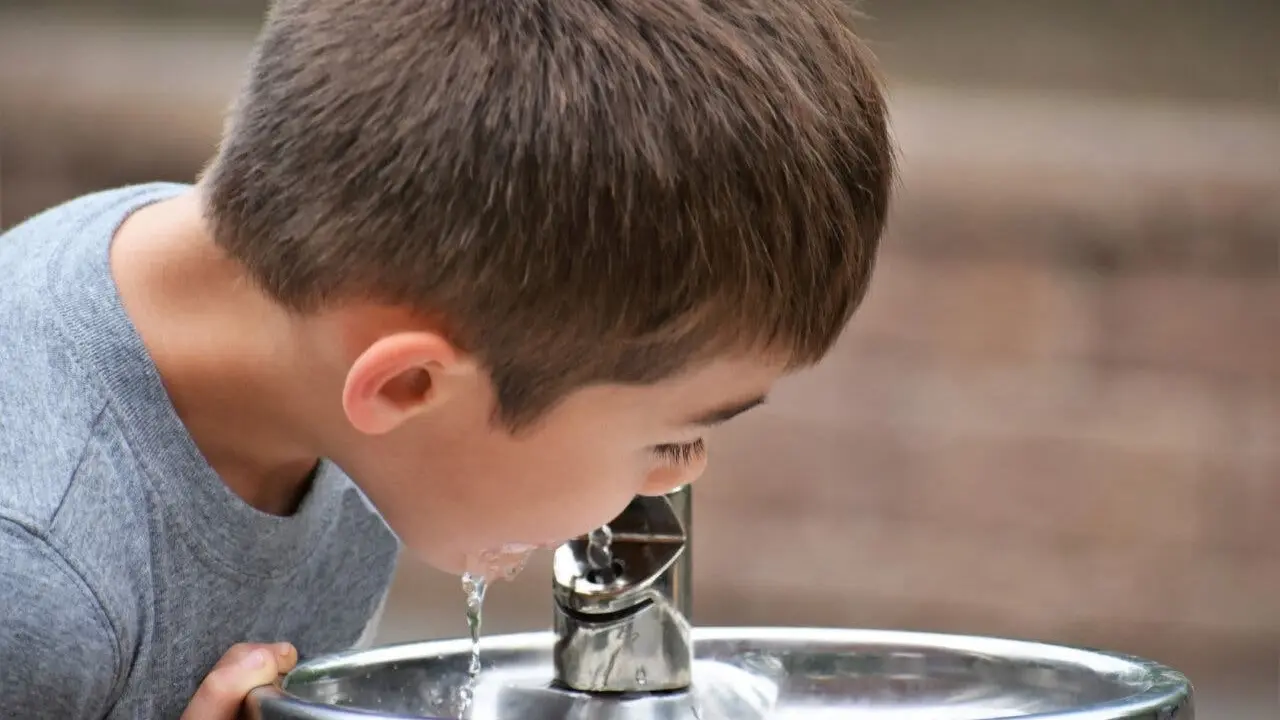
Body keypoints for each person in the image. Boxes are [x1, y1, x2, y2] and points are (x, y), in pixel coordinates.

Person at [0, 0, 895, 717]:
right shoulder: (38, 582)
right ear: (408, 383)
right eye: (668, 441)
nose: (675, 483)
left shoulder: (296, 322)